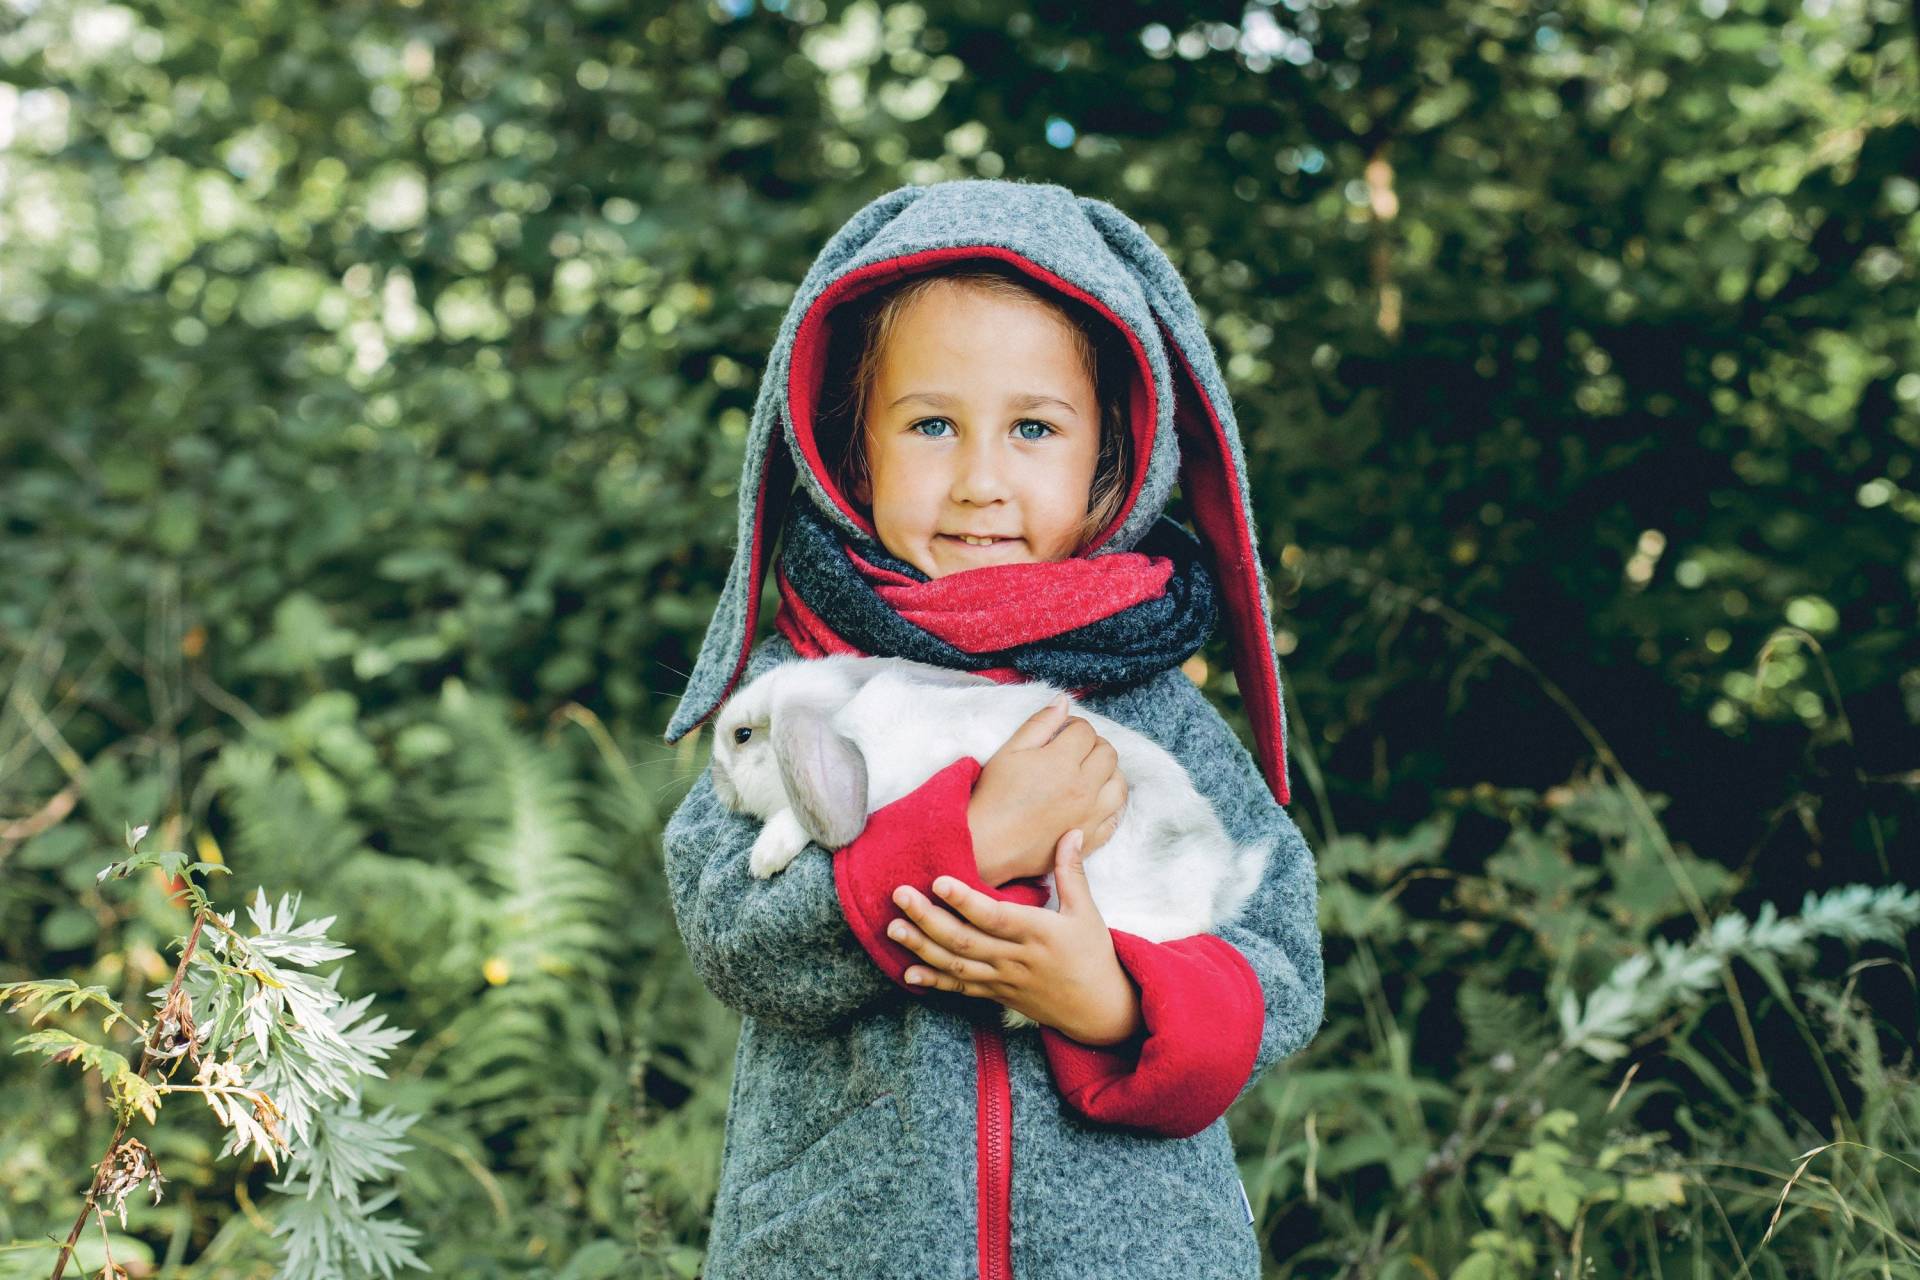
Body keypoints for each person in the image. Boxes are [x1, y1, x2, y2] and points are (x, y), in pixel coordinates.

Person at [661, 178, 1326, 1279]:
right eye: (931, 425)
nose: (979, 480)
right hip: (841, 1244)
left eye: (1032, 428)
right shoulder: (799, 693)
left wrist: (1110, 999)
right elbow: (731, 928)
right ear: (849, 448)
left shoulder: (1153, 704)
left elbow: (1281, 950)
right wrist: (958, 838)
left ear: (1113, 451)